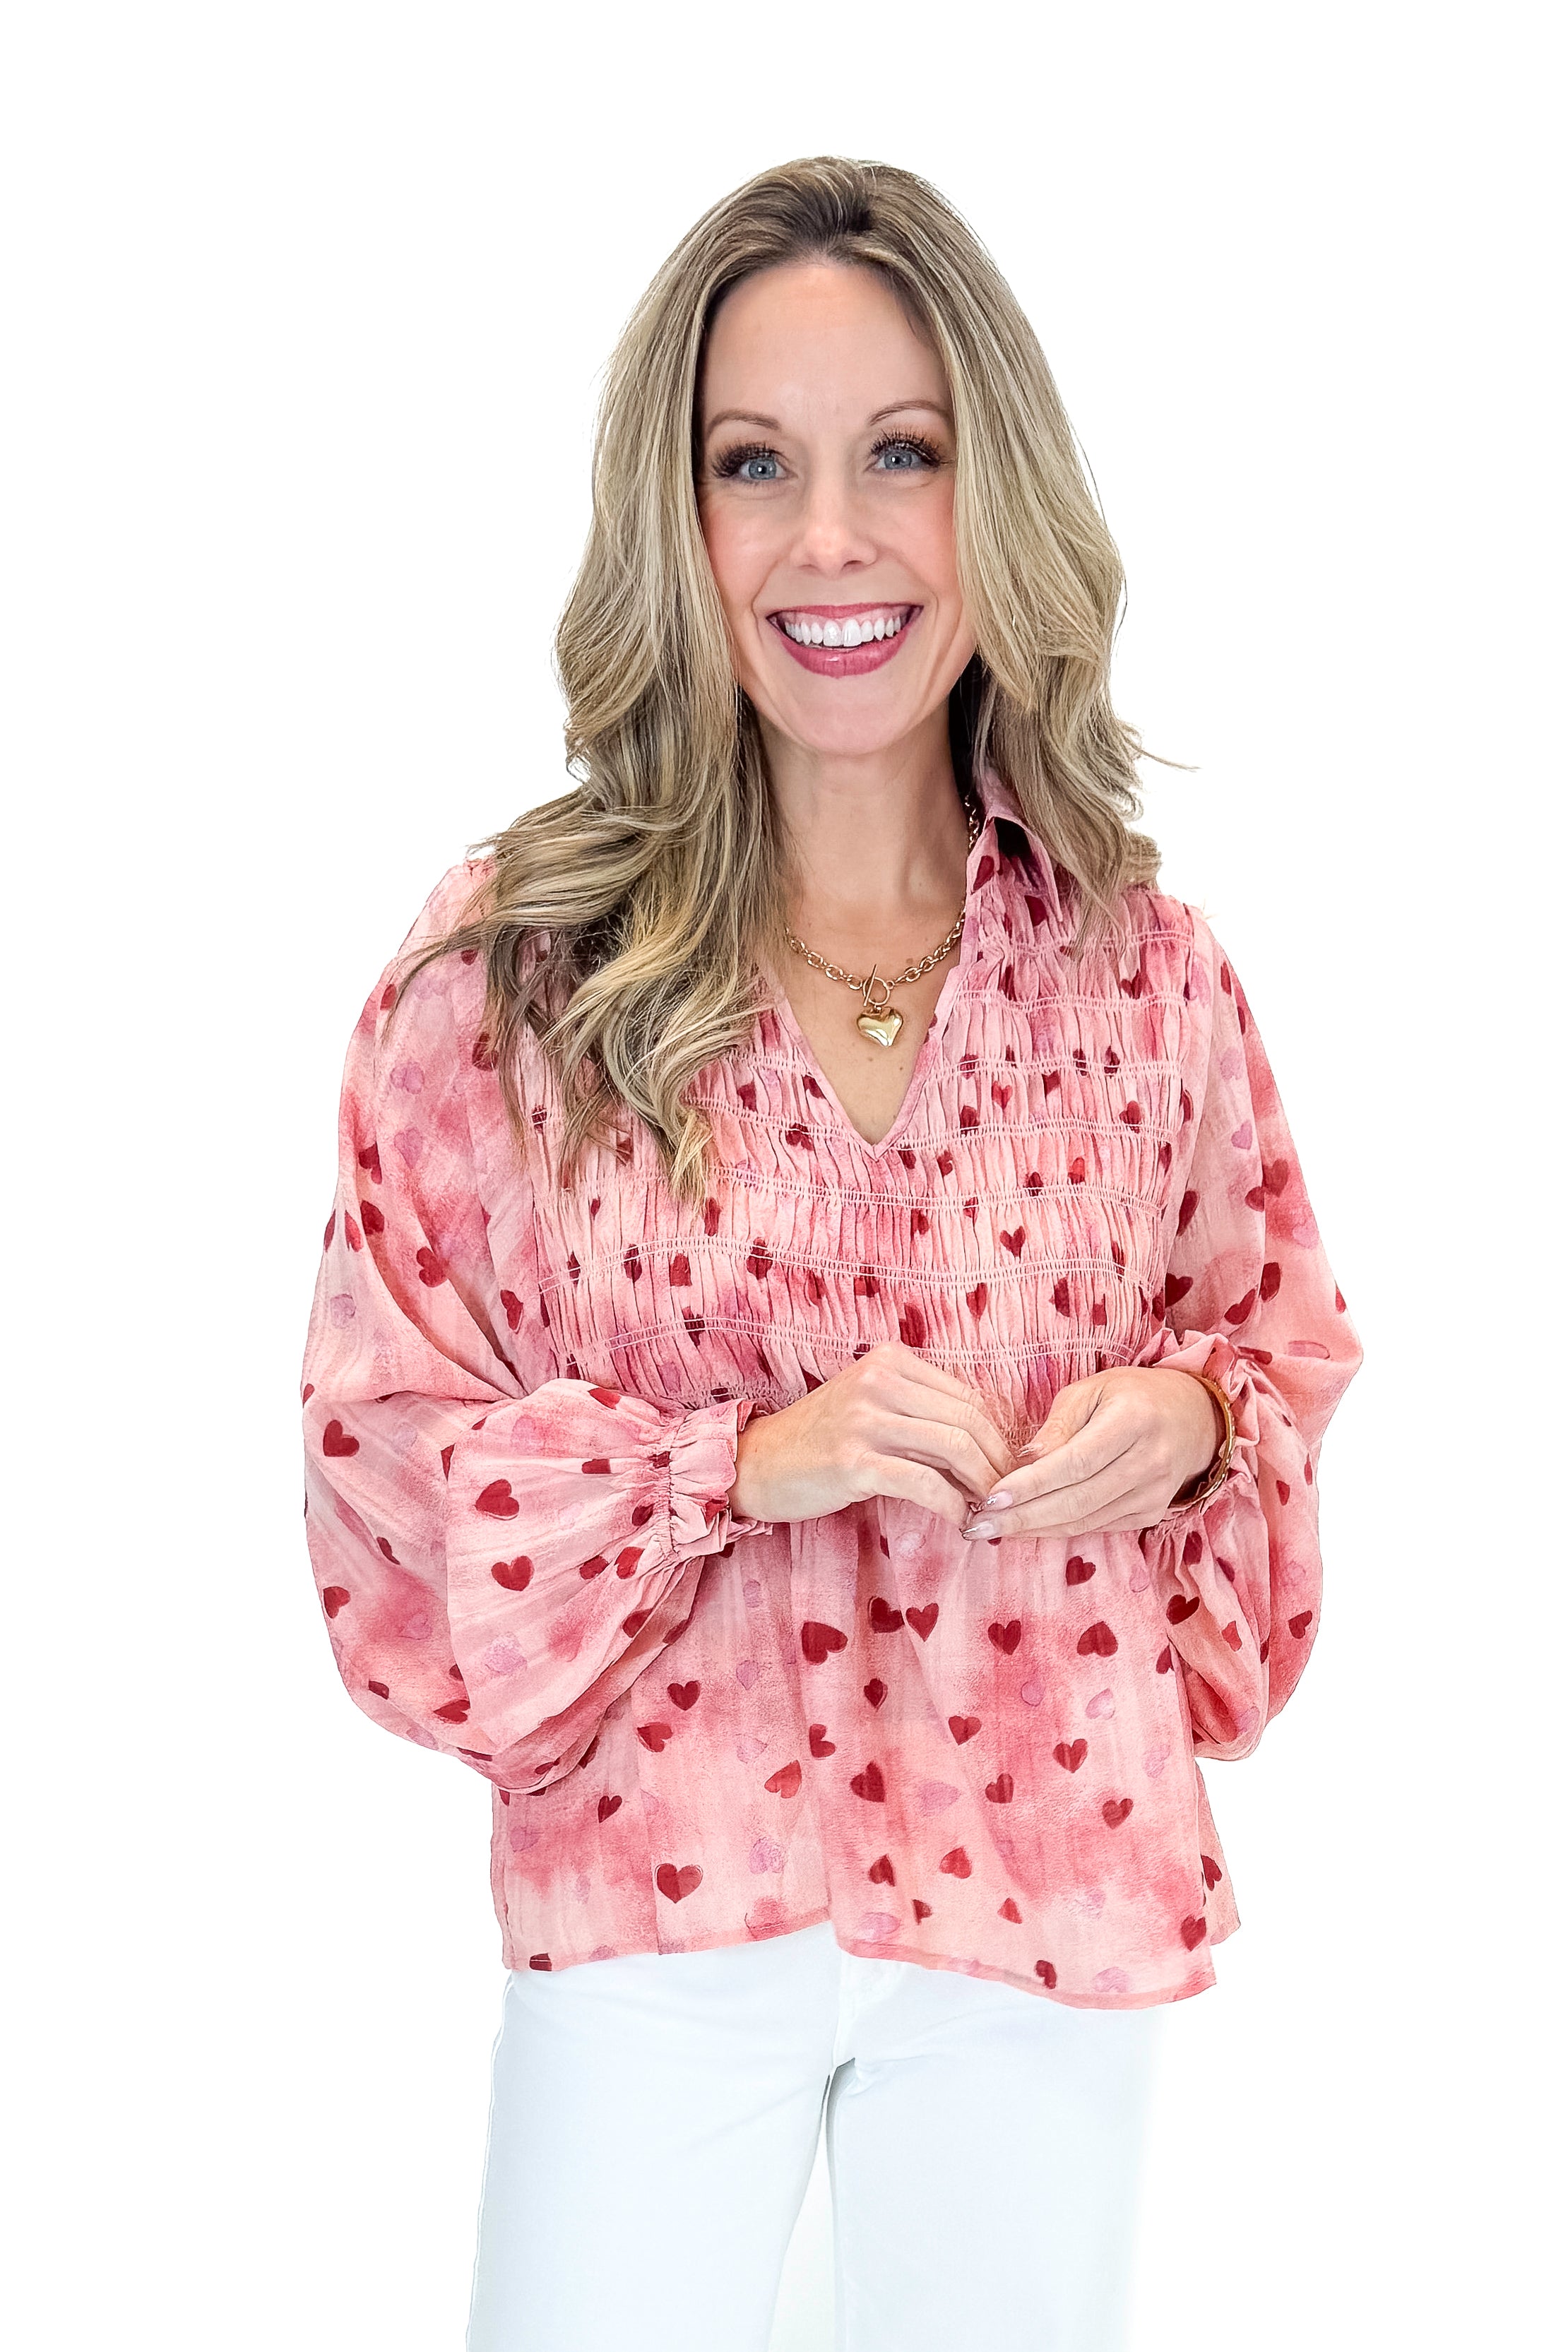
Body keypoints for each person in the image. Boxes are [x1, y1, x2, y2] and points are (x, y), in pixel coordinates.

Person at [302, 155, 1363, 2352]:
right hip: (658, 1915)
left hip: (1039, 1907)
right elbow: (377, 1456)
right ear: (672, 525)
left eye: (901, 453)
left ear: (999, 492)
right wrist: (737, 1459)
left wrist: (1184, 1420)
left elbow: (1277, 1343)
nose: (830, 541)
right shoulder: (513, 973)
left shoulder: (1140, 977)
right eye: (749, 465)